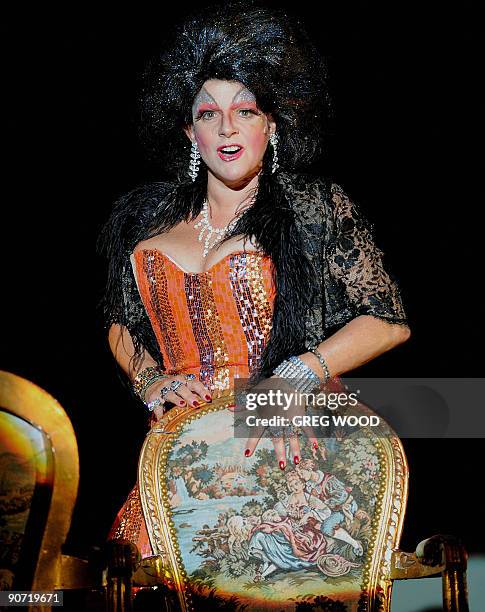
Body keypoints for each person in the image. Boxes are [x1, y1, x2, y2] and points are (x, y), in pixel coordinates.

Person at [98, 0, 410, 584]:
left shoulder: (313, 211)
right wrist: (150, 379)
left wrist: (301, 372)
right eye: (209, 114)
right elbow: (118, 321)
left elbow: (387, 320)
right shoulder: (145, 224)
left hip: (288, 450)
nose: (227, 128)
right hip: (181, 457)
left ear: (273, 123)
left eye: (245, 111)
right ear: (189, 130)